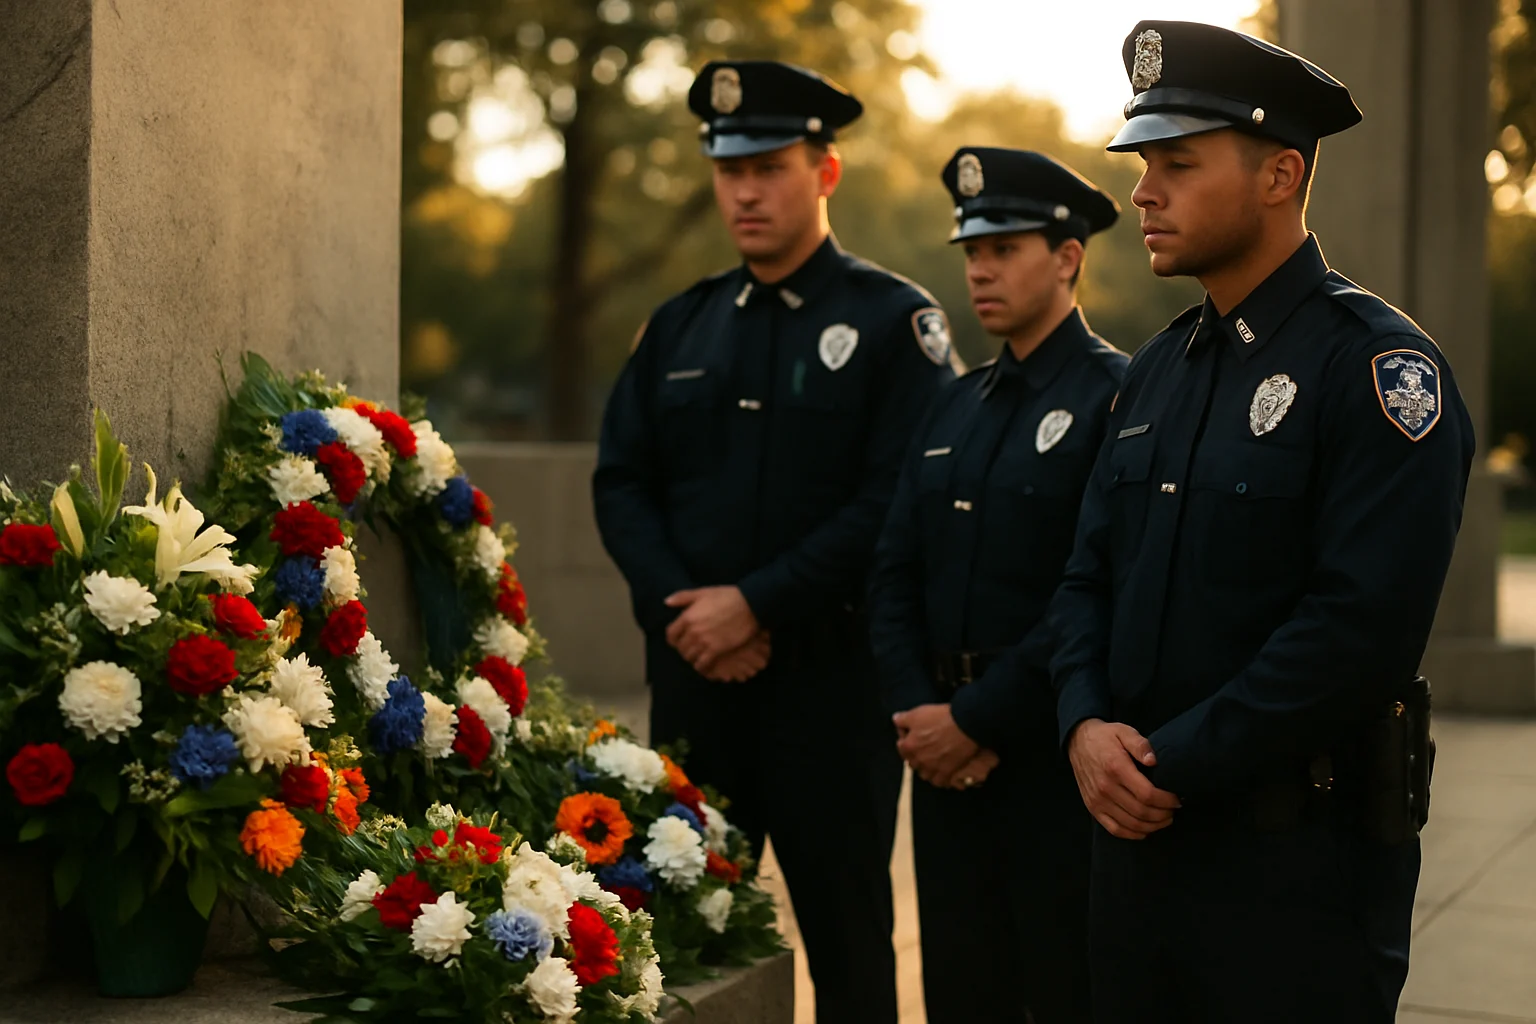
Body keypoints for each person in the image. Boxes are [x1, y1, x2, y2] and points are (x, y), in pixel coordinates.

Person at [1050, 21, 1475, 1024]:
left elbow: (1358, 630)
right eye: (1144, 163)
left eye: (1178, 164)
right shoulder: (1156, 369)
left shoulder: (1374, 369)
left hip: (1295, 876)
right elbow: (1085, 577)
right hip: (1136, 858)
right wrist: (1080, 724)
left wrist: (1167, 762)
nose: (1143, 192)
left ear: (1280, 174)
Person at [591, 60, 957, 1023]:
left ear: (826, 173)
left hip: (833, 694)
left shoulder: (892, 323)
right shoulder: (680, 324)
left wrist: (756, 602)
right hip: (695, 683)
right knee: (673, 945)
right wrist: (690, 611)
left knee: (847, 947)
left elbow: (899, 498)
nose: (746, 191)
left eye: (772, 167)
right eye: (728, 170)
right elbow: (623, 481)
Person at [867, 147, 1124, 1024]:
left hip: (1047, 762)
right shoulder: (954, 402)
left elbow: (1096, 590)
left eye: (1004, 249)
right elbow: (894, 569)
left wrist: (975, 720)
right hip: (939, 761)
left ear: (1067, 257)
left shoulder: (1116, 398)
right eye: (972, 252)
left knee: (1057, 989)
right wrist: (917, 713)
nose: (980, 269)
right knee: (960, 992)